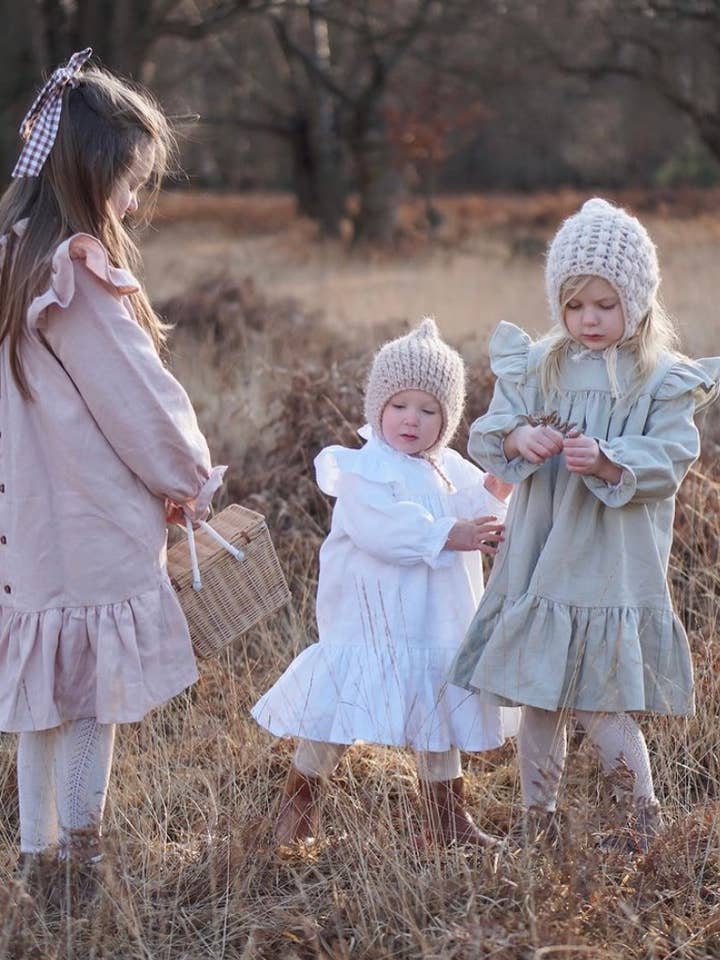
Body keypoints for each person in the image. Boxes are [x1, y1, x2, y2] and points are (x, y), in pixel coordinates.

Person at [0, 49, 224, 876]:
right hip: (87, 513)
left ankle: (37, 855)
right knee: (91, 693)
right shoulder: (78, 274)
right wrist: (189, 477)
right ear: (89, 171)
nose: (135, 198)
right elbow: (137, 396)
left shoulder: (12, 254)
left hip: (25, 519)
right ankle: (82, 855)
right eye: (129, 180)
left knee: (39, 698)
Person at [449, 198, 720, 851]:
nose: (589, 320)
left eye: (605, 304)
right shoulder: (539, 363)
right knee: (539, 696)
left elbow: (671, 458)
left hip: (608, 558)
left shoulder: (659, 378)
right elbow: (490, 431)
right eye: (574, 306)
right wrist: (522, 438)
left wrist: (606, 457)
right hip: (542, 551)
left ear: (638, 300)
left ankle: (640, 821)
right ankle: (538, 820)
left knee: (601, 700)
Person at [252, 317, 518, 847]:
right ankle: (297, 810)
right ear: (378, 408)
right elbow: (385, 530)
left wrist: (495, 491)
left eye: (428, 410)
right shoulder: (364, 469)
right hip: (371, 621)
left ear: (446, 419)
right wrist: (451, 532)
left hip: (434, 621)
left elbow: (467, 508)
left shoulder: (449, 468)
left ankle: (447, 824)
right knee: (334, 713)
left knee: (439, 715)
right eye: (399, 406)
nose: (411, 420)